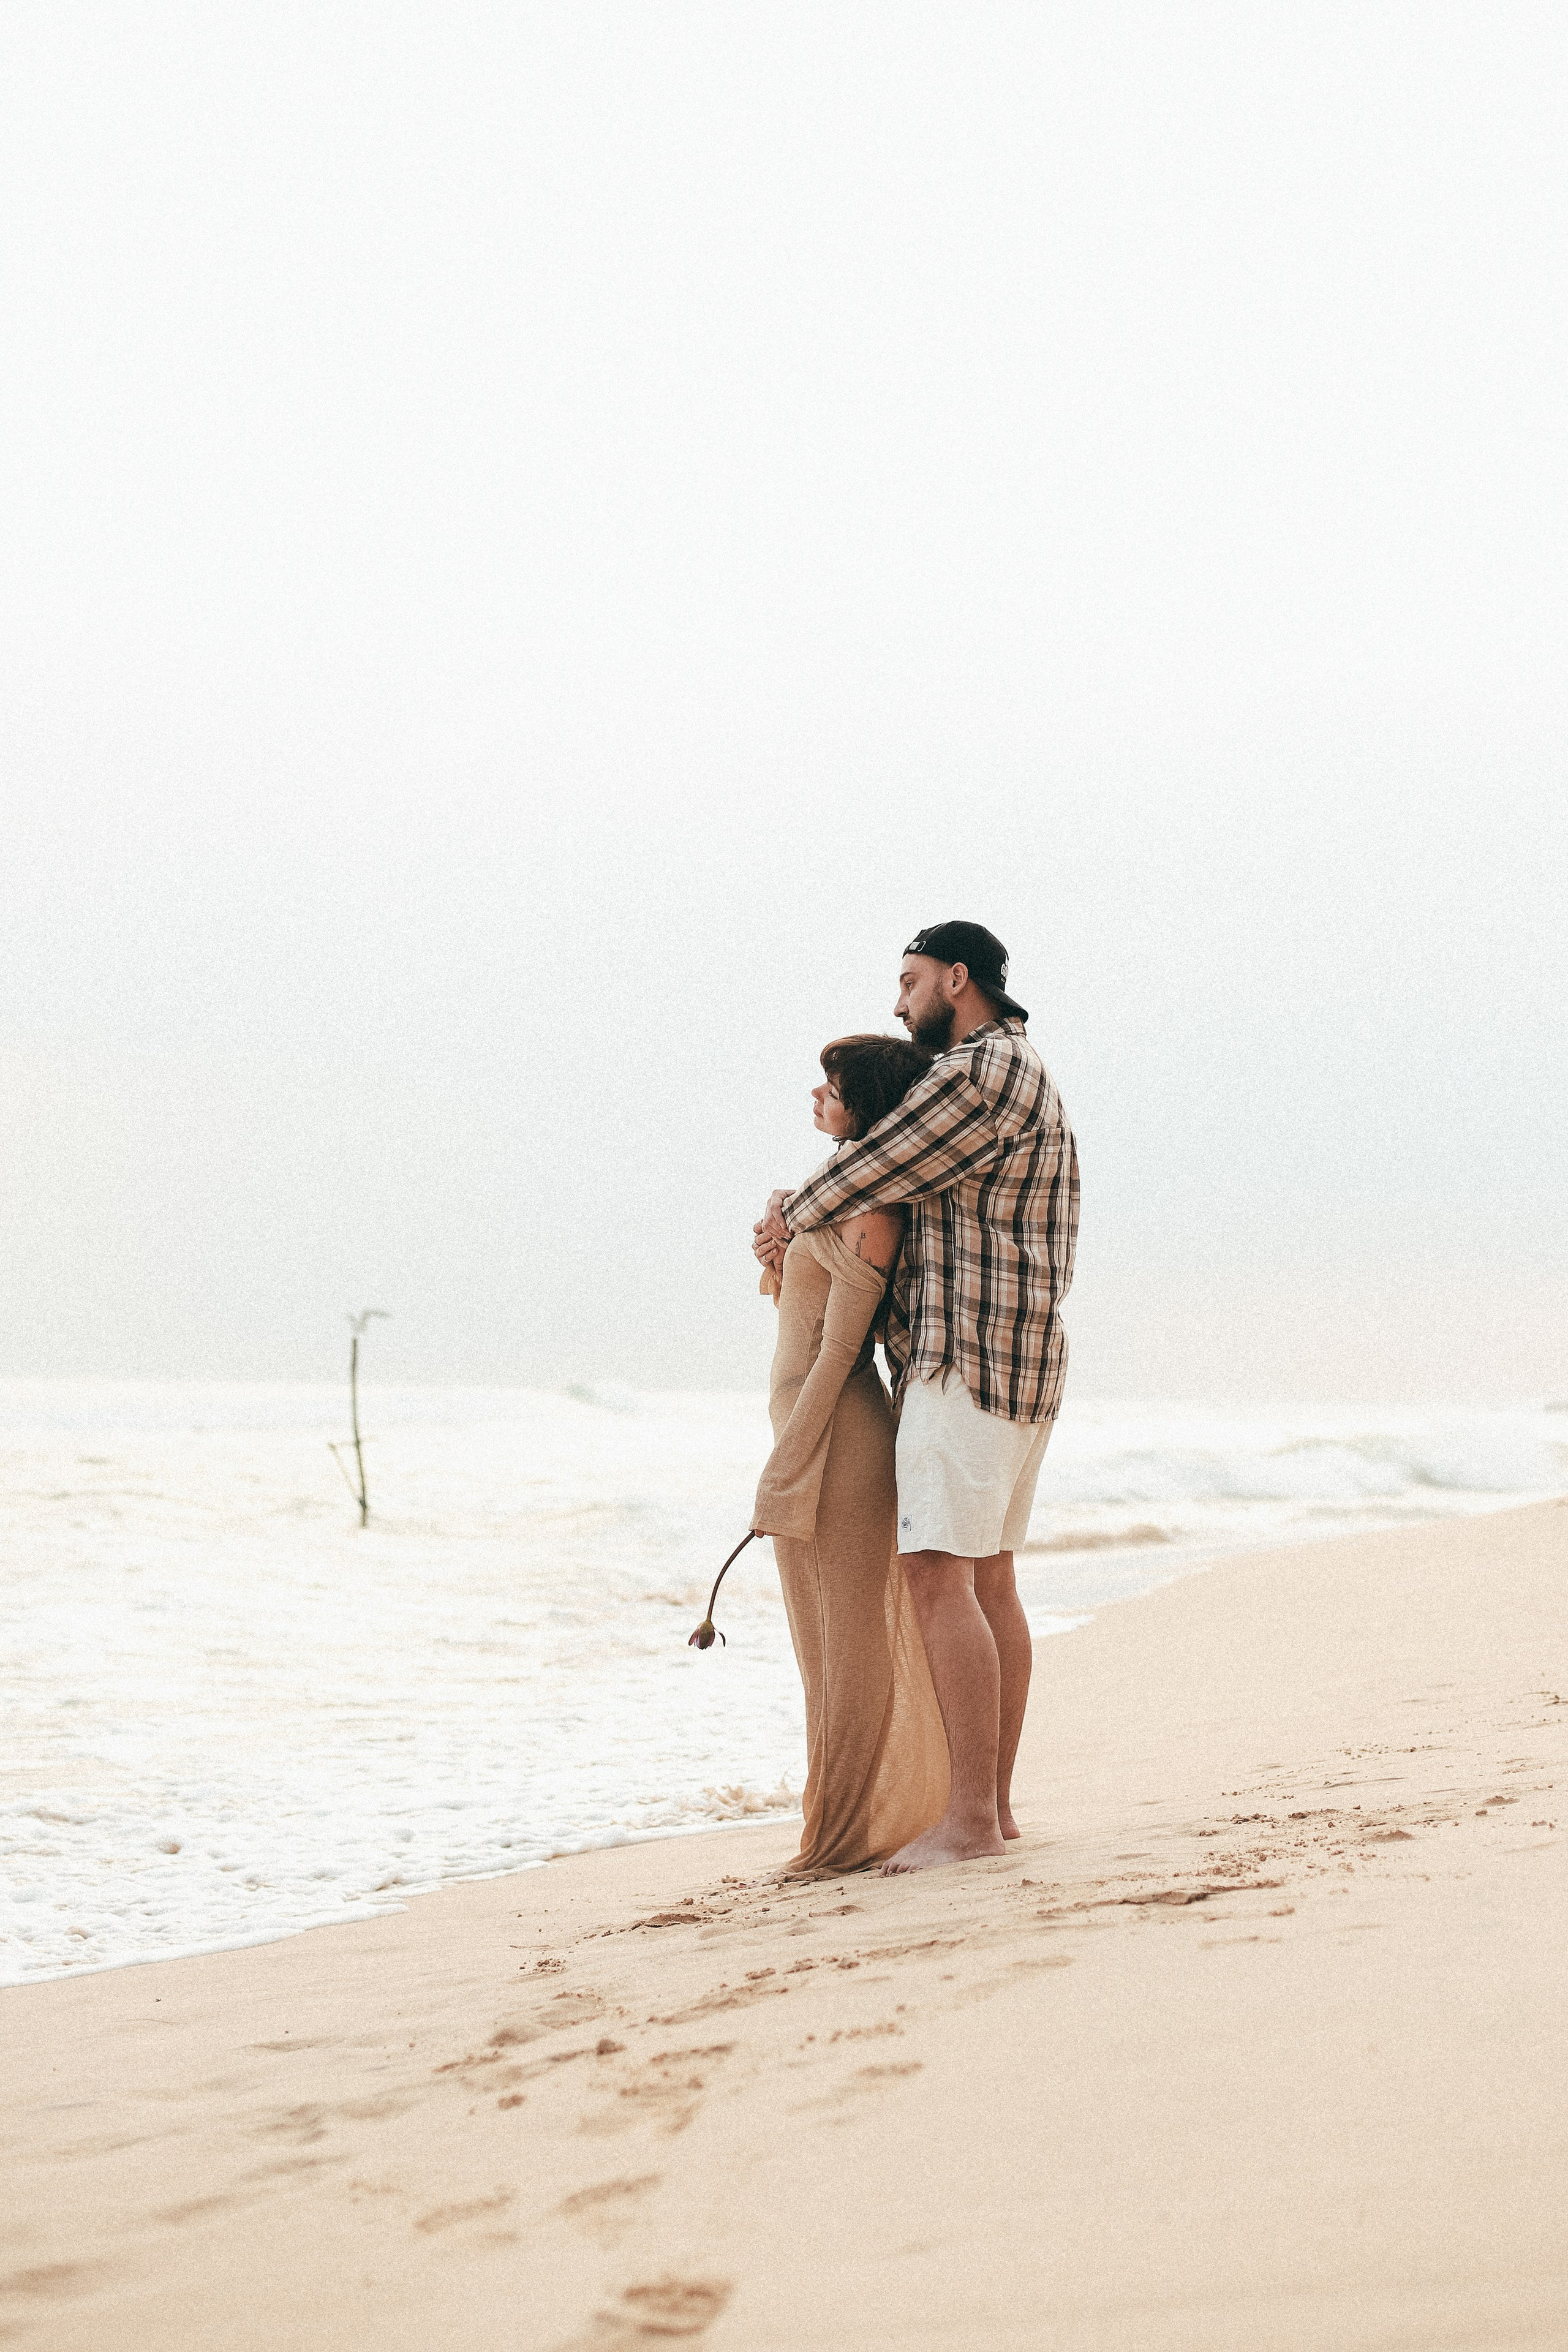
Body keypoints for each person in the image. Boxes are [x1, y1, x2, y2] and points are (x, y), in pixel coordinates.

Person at [753, 922, 1079, 1875]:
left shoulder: (978, 1072)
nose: (899, 1003)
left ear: (958, 978)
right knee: (984, 1577)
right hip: (1017, 1358)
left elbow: (871, 1169)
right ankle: (994, 1811)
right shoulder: (1015, 1071)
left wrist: (785, 1212)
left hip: (968, 1355)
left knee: (939, 1572)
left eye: (910, 982)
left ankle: (971, 1820)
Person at [750, 1033, 949, 1874]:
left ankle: (844, 1836)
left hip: (837, 1432)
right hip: (806, 1428)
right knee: (816, 1642)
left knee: (849, 1636)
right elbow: (794, 1311)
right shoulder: (831, 1198)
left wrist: (784, 1469)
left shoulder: (873, 1210)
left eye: (828, 1087)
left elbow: (837, 1353)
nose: (814, 1095)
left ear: (862, 1101)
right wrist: (778, 1244)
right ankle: (833, 1823)